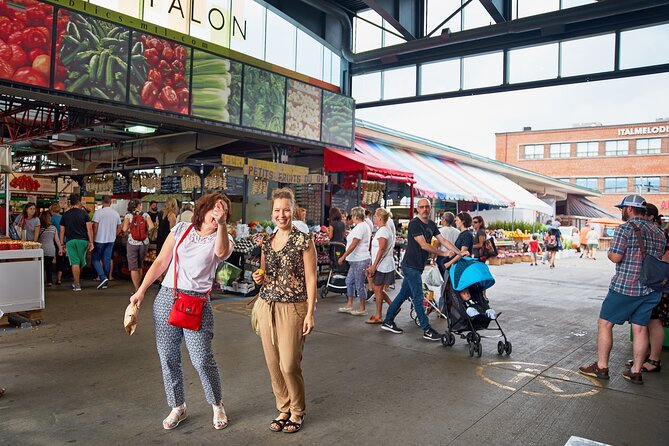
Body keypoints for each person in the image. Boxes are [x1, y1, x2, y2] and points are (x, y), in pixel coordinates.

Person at [130, 193, 233, 430]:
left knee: (202, 359)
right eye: (216, 208)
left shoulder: (223, 238)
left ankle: (217, 404)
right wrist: (142, 291)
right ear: (203, 208)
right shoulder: (181, 229)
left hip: (197, 303)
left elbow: (220, 253)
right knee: (168, 357)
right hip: (167, 296)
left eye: (225, 211)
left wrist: (223, 224)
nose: (219, 213)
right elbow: (160, 263)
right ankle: (178, 406)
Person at [579, 195, 664, 384]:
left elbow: (616, 257)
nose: (622, 212)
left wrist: (609, 252)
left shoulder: (625, 228)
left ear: (630, 209)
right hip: (651, 289)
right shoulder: (659, 232)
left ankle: (601, 367)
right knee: (641, 328)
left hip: (626, 286)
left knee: (605, 323)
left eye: (622, 209)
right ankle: (635, 371)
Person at [251, 188, 316, 434]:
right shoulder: (266, 241)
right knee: (273, 363)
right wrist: (259, 277)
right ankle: (283, 407)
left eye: (286, 210)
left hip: (294, 307)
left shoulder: (303, 240)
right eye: (277, 210)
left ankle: (298, 410)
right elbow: (265, 274)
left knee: (289, 363)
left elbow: (311, 279)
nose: (282, 214)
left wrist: (310, 313)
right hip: (267, 305)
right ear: (272, 212)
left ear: (293, 211)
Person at [381, 199, 468, 341]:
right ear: (417, 209)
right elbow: (423, 245)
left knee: (403, 295)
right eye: (422, 207)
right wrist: (444, 253)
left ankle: (388, 321)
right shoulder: (415, 223)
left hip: (417, 267)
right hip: (410, 266)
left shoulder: (432, 224)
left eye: (427, 207)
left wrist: (459, 252)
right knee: (418, 297)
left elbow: (444, 241)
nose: (425, 209)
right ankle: (427, 329)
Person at [623, 202, 668, 374]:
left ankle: (654, 360)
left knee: (654, 321)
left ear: (649, 216)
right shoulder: (655, 232)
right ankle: (644, 356)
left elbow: (664, 261)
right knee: (646, 322)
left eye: (643, 215)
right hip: (651, 283)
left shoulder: (658, 234)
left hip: (656, 284)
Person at [337, 207, 372, 316]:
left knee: (359, 284)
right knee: (349, 281)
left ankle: (362, 307)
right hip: (356, 259)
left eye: (352, 215)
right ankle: (350, 304)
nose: (351, 217)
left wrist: (343, 256)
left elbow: (354, 244)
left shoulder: (360, 227)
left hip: (359, 259)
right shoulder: (361, 226)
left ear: (356, 216)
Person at [59, 194, 94, 291]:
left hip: (70, 241)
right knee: (81, 261)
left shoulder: (65, 215)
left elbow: (62, 230)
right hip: (83, 241)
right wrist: (91, 242)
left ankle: (77, 283)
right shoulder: (84, 214)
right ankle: (76, 281)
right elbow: (89, 229)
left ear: (70, 202)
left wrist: (62, 244)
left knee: (74, 261)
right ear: (79, 202)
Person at [366, 208, 395, 324]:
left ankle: (379, 315)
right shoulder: (385, 230)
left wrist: (374, 266)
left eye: (375, 216)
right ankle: (393, 306)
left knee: (377, 289)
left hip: (382, 265)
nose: (374, 218)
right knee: (377, 289)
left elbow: (381, 249)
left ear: (379, 218)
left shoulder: (383, 231)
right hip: (383, 264)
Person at [123, 199, 155, 292]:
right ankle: (141, 287)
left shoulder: (128, 216)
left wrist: (130, 230)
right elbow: (152, 226)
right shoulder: (145, 215)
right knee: (140, 265)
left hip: (132, 242)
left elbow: (124, 229)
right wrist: (145, 232)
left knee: (133, 267)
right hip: (144, 243)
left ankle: (137, 289)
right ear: (139, 206)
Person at [91, 196, 121, 290]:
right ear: (110, 202)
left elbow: (95, 226)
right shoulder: (115, 213)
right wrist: (114, 235)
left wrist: (93, 238)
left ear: (102, 202)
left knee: (95, 259)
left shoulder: (98, 213)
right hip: (111, 240)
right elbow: (120, 227)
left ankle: (103, 277)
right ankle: (106, 279)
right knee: (106, 260)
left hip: (99, 239)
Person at [37, 211, 63, 287]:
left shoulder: (39, 228)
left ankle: (40, 280)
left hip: (41, 249)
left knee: (41, 266)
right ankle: (49, 281)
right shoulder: (53, 228)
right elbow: (57, 240)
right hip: (51, 249)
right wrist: (60, 249)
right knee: (49, 266)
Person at [436, 212, 459, 276]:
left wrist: (433, 258)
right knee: (452, 276)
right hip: (454, 257)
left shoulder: (440, 231)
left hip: (442, 257)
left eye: (442, 218)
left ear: (444, 219)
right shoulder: (458, 232)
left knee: (443, 278)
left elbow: (436, 245)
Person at [49, 203, 65, 285]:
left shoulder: (51, 219)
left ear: (51, 210)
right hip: (63, 241)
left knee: (50, 260)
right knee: (60, 260)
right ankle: (59, 279)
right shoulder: (63, 218)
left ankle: (50, 279)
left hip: (53, 241)